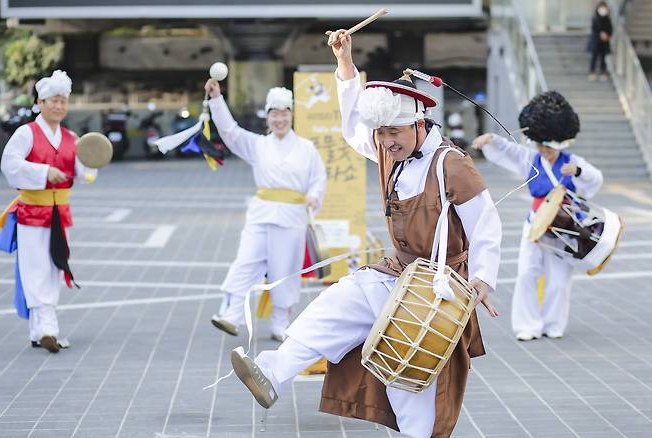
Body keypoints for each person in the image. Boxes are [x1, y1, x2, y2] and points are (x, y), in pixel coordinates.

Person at [227, 30, 501, 438]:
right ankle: (271, 371)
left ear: (418, 123)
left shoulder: (453, 165)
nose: (386, 142)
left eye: (395, 133)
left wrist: (482, 278)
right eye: (382, 133)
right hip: (396, 273)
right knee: (331, 307)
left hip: (437, 288)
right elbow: (354, 125)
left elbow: (487, 224)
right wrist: (344, 64)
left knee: (409, 377)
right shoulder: (386, 146)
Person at [472, 90, 603, 341]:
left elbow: (595, 179)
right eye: (540, 144)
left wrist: (578, 171)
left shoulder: (572, 160)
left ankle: (554, 324)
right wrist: (491, 140)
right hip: (535, 224)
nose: (544, 150)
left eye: (549, 145)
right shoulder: (532, 157)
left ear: (561, 141)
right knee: (526, 273)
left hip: (564, 226)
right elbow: (510, 150)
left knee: (558, 279)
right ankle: (527, 325)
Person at [205, 79, 327, 342]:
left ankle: (280, 322)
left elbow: (319, 178)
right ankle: (232, 313)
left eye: (284, 113)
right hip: (261, 213)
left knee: (284, 270)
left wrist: (314, 196)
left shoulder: (306, 148)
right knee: (245, 261)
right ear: (268, 117)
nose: (279, 119)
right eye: (274, 114)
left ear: (291, 115)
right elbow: (230, 132)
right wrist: (216, 100)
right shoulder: (258, 144)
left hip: (292, 216)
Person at [0, 70, 97, 353]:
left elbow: (83, 170)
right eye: (53, 100)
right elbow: (10, 164)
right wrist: (43, 172)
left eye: (63, 101)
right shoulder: (26, 133)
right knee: (36, 267)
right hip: (31, 211)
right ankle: (48, 328)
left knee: (54, 265)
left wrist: (91, 163)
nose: (58, 106)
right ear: (39, 102)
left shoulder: (70, 137)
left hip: (59, 212)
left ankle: (39, 330)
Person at [587, 1, 613, 82]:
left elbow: (610, 30)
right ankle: (592, 72)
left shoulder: (608, 19)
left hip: (604, 43)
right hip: (596, 42)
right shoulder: (595, 18)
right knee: (594, 57)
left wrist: (607, 35)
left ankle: (603, 72)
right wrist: (600, 34)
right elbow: (594, 29)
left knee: (603, 58)